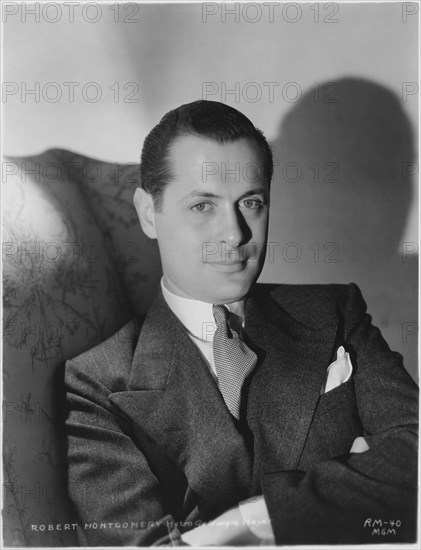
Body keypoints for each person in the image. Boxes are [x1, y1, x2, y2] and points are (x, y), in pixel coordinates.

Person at [65, 100, 418, 546]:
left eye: (250, 202)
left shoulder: (335, 311)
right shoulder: (96, 383)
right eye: (202, 206)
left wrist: (262, 518)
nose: (234, 234)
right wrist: (358, 487)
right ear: (148, 213)